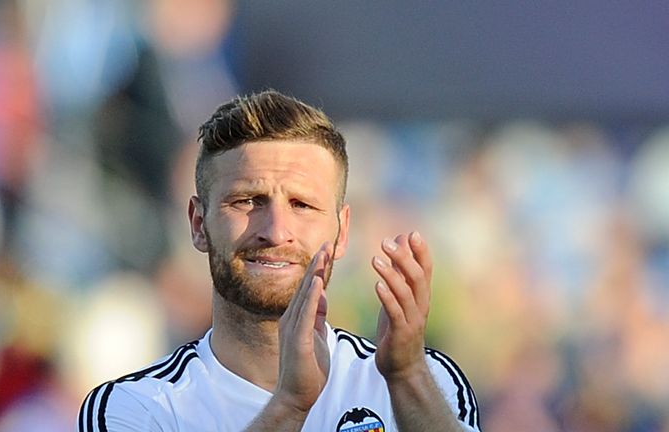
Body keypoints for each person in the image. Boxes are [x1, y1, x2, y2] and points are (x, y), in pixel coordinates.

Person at [78, 90, 480, 431]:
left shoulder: (426, 384)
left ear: (341, 231)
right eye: (247, 201)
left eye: (302, 205)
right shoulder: (138, 407)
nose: (275, 230)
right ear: (199, 224)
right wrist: (290, 405)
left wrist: (408, 377)